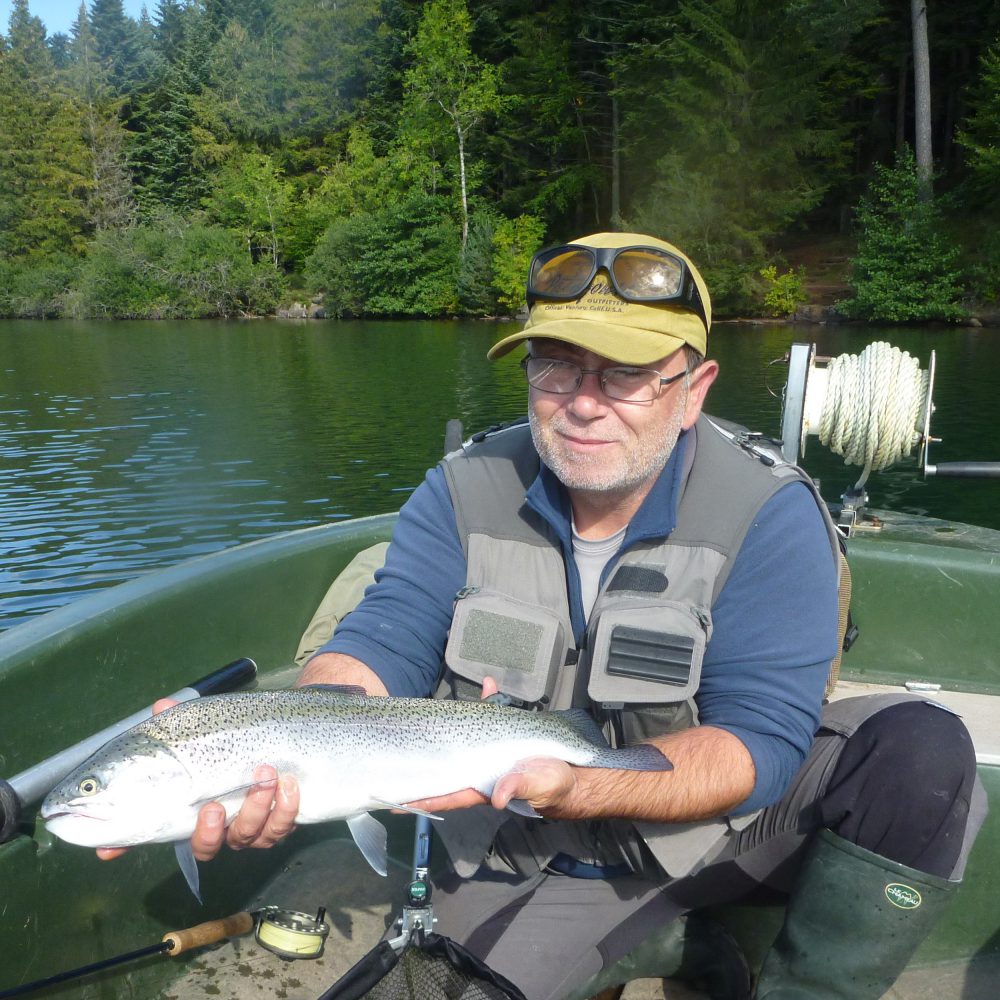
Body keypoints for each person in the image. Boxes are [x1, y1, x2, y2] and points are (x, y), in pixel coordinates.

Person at [109, 232, 985, 1000]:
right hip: (511, 844)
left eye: (629, 374)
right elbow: (383, 640)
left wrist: (583, 781)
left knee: (921, 756)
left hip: (706, 836)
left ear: (694, 389)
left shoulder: (768, 512)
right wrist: (275, 732)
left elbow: (757, 745)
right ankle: (675, 948)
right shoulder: (462, 489)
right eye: (556, 363)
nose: (583, 400)